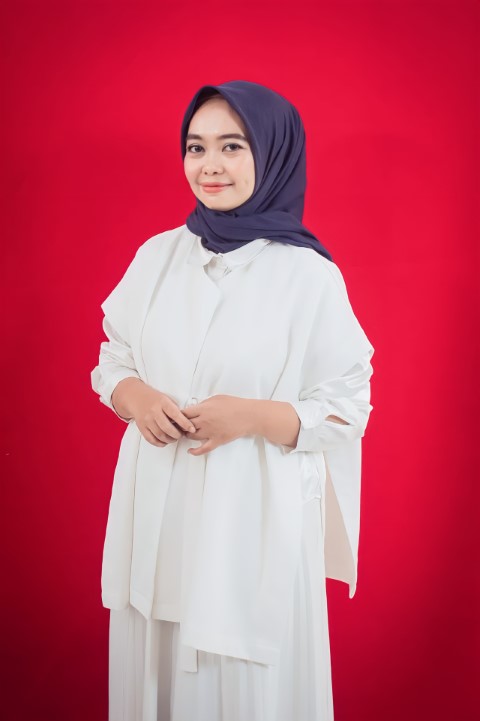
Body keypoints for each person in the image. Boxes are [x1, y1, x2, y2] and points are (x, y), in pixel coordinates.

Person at [90, 79, 375, 721]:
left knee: (243, 687)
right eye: (196, 147)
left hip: (250, 522)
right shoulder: (157, 256)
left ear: (272, 155)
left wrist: (253, 416)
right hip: (157, 515)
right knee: (158, 670)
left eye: (232, 146)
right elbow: (114, 357)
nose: (209, 165)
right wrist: (132, 395)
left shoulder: (307, 276)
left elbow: (347, 408)